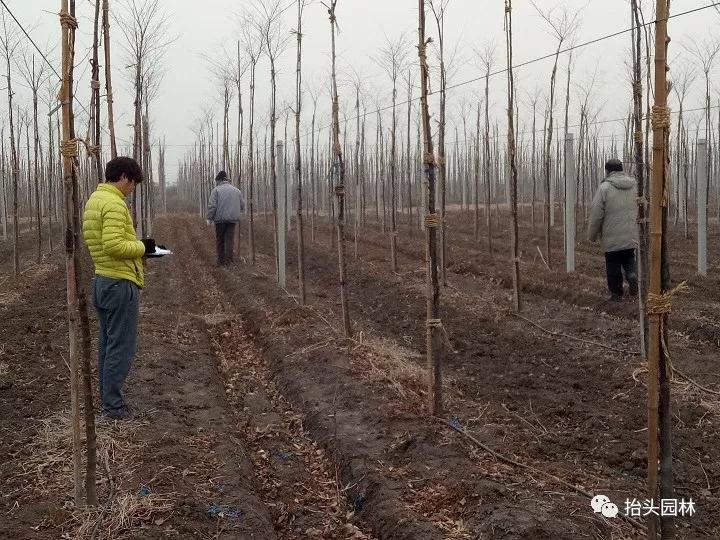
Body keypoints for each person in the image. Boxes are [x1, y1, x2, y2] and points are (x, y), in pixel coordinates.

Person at [82, 156, 156, 420]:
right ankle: (113, 407)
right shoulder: (114, 204)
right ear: (124, 177)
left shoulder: (94, 200)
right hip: (119, 282)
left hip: (102, 280)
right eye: (133, 183)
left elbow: (102, 242)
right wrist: (144, 248)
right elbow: (114, 245)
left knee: (107, 345)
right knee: (121, 347)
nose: (132, 188)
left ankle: (107, 400)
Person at [588, 158, 639, 301]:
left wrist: (591, 235)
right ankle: (631, 274)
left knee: (613, 263)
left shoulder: (604, 188)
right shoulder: (634, 186)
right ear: (621, 169)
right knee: (629, 257)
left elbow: (596, 214)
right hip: (630, 234)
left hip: (611, 236)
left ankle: (616, 293)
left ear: (608, 171)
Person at [207, 170, 245, 265]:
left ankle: (221, 261)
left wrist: (209, 218)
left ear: (219, 180)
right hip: (232, 220)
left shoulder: (216, 190)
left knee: (220, 240)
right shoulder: (237, 190)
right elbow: (242, 205)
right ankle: (229, 261)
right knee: (229, 240)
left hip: (220, 220)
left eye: (217, 181)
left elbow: (213, 206)